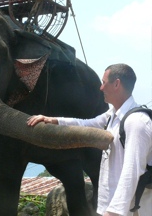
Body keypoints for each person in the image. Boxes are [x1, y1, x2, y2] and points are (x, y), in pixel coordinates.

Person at [27, 63, 152, 216]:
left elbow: (132, 170)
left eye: (104, 82)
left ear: (116, 84)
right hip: (113, 205)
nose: (101, 88)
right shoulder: (112, 115)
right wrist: (52, 120)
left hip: (134, 209)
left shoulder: (137, 122)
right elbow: (85, 124)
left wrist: (114, 212)